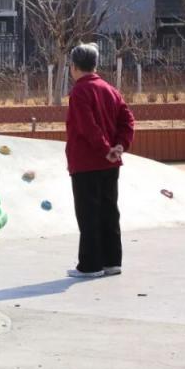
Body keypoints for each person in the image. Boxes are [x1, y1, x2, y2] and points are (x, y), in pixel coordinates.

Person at [65, 43, 135, 279]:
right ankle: (112, 260)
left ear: (74, 67)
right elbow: (127, 120)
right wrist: (120, 145)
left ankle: (90, 264)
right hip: (110, 163)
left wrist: (104, 149)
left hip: (86, 161)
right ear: (95, 65)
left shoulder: (79, 91)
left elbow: (87, 126)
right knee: (109, 210)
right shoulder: (110, 90)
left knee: (88, 213)